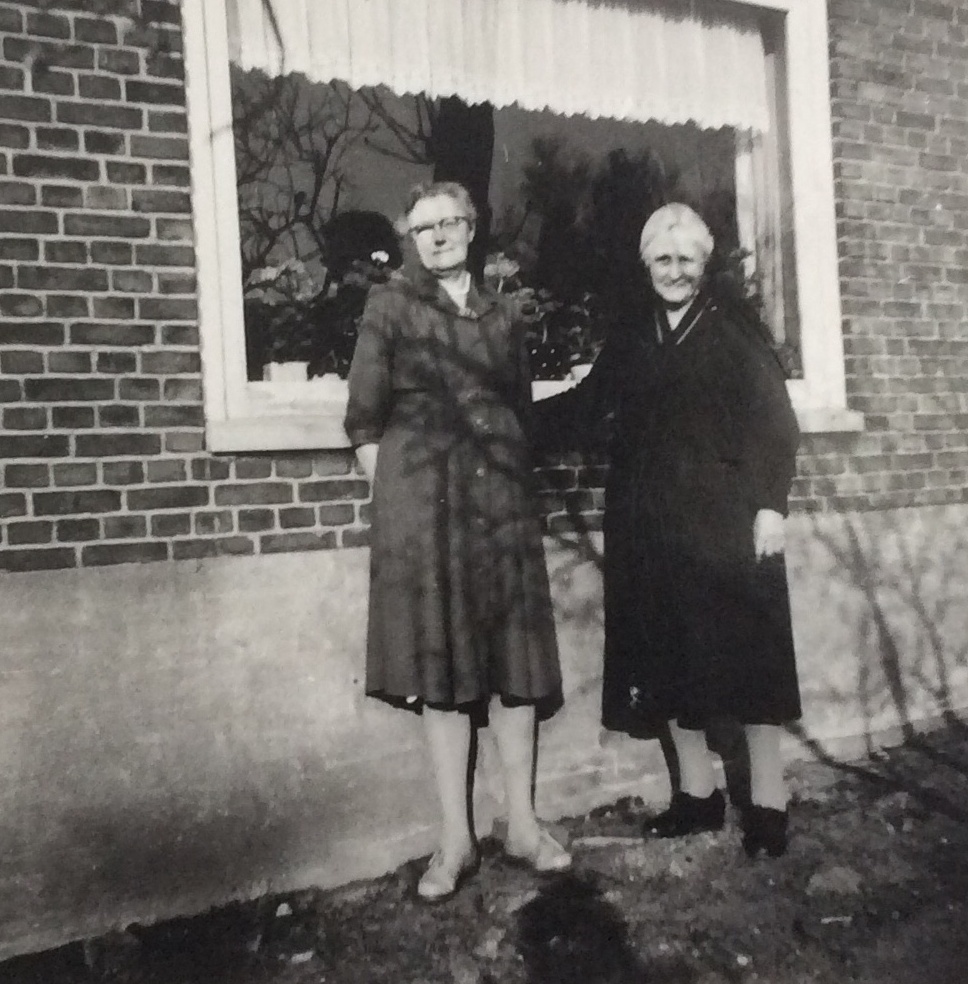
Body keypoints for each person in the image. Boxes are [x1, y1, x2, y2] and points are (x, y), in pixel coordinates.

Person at [536, 202, 801, 858]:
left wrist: (771, 505)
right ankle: (697, 796)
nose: (674, 272)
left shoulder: (734, 328)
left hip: (726, 519)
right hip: (648, 520)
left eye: (686, 260)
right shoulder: (633, 334)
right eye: (663, 260)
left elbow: (776, 421)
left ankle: (768, 801)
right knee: (667, 658)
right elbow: (588, 404)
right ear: (646, 263)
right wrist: (506, 418)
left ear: (704, 264)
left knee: (749, 661)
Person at [344, 181, 572, 903]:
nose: (438, 236)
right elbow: (364, 421)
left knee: (513, 663)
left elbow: (522, 411)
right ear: (411, 240)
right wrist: (398, 514)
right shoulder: (388, 307)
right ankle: (455, 839)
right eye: (424, 228)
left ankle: (525, 827)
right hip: (429, 513)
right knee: (440, 669)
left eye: (450, 224)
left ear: (472, 230)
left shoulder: (504, 316)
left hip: (499, 504)